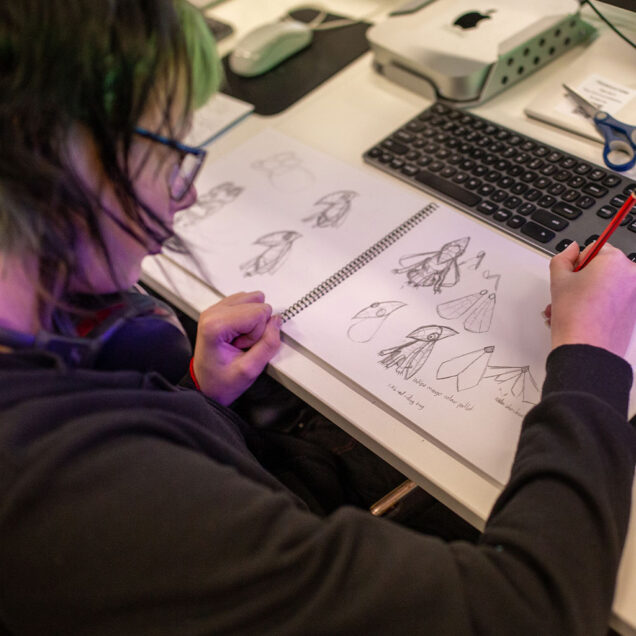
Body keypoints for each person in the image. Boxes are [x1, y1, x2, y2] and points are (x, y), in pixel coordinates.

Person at [0, 1, 635, 634]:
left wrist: (198, 397)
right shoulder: (84, 498)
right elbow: (531, 614)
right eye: (169, 151)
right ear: (59, 156)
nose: (187, 191)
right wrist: (590, 352)